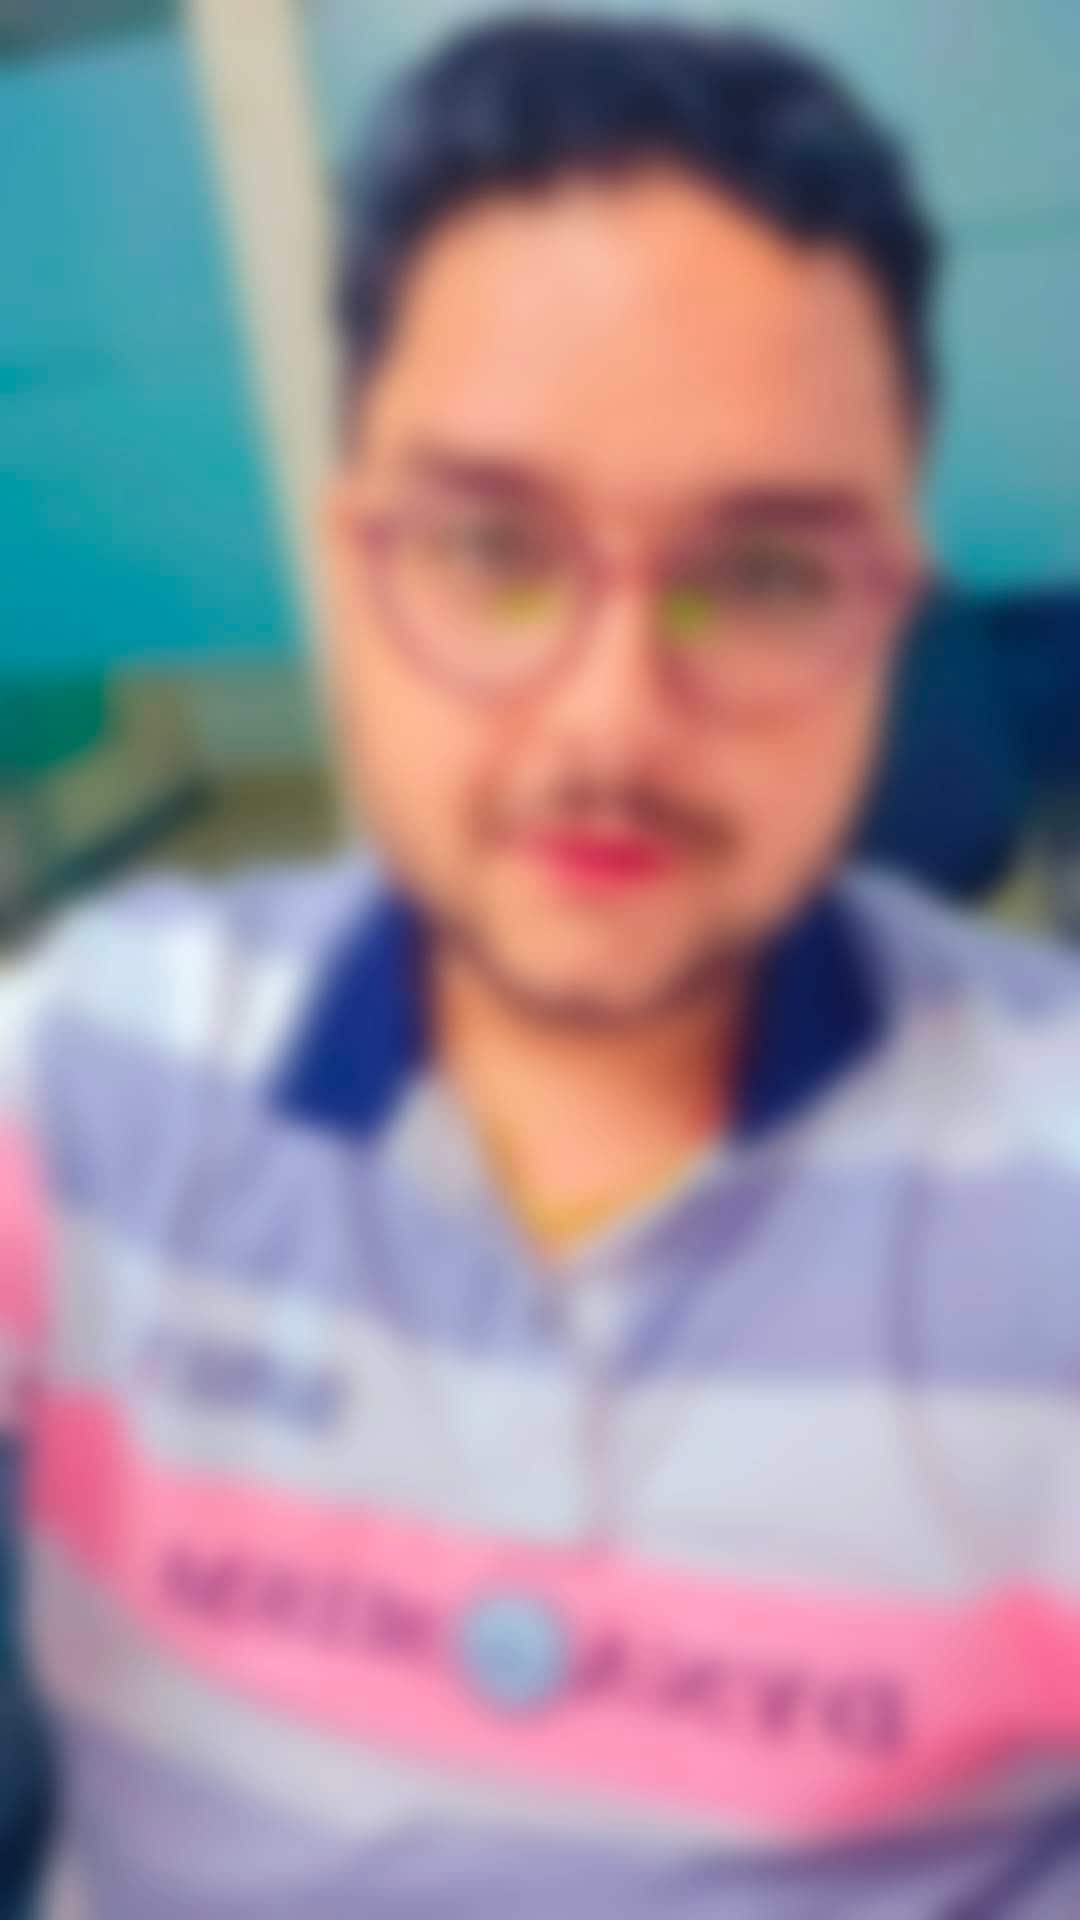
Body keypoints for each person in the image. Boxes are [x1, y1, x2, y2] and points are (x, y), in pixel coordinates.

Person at [3, 17, 1080, 1916]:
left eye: (757, 575)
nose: (610, 720)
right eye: (497, 546)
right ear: (356, 571)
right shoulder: (94, 1076)